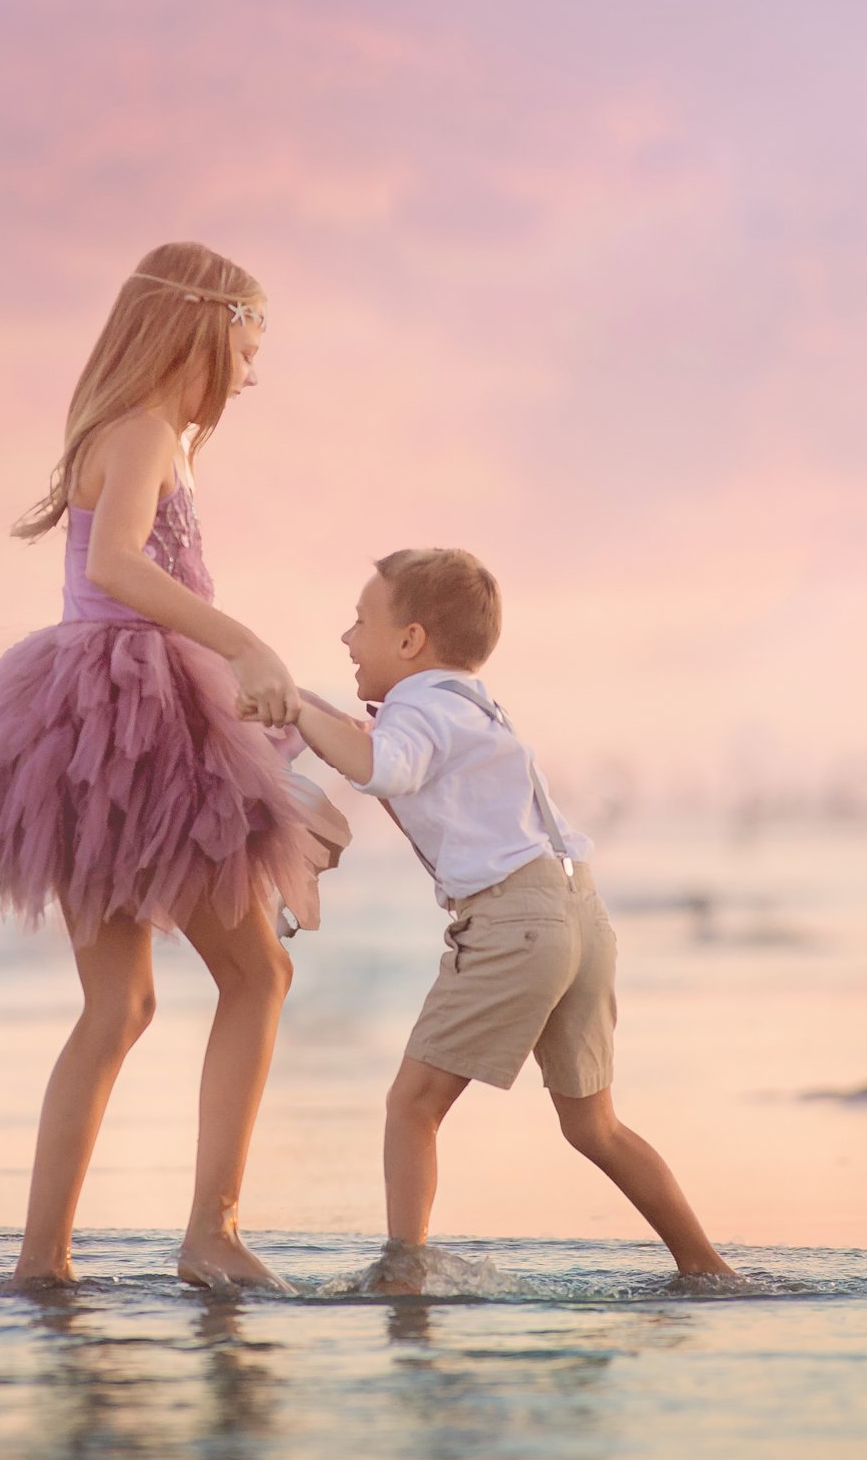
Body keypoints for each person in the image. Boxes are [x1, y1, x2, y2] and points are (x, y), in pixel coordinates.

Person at [0, 241, 344, 1292]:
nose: (253, 371)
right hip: (132, 724)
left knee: (119, 1008)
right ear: (206, 328)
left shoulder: (132, 433)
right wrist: (245, 640)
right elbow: (116, 564)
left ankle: (42, 1261)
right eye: (252, 343)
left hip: (86, 730)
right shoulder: (146, 431)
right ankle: (210, 1231)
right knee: (258, 972)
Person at [282, 548, 738, 1286]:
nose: (345, 638)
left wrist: (300, 708)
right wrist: (302, 705)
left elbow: (380, 766)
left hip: (514, 920)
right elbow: (374, 744)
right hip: (579, 912)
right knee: (595, 1125)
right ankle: (708, 1265)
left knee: (412, 1105)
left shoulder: (417, 709)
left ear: (411, 640)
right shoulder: (469, 702)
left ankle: (405, 1274)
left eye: (360, 621)